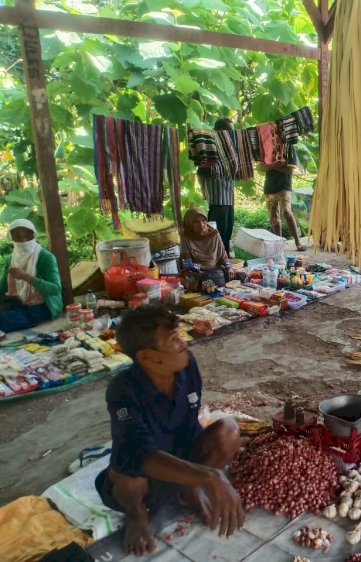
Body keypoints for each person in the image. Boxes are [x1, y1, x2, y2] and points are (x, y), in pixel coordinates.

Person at [95, 305, 244, 555]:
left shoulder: (187, 366)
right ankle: (137, 515)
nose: (183, 344)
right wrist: (210, 476)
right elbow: (138, 453)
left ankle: (189, 491)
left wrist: (199, 477)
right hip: (145, 481)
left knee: (228, 430)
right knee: (126, 473)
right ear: (147, 357)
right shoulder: (123, 390)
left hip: (185, 457)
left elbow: (190, 421)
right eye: (173, 340)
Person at [0, 219, 62, 333]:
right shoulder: (10, 259)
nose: (23, 240)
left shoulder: (45, 257)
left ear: (34, 235)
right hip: (17, 303)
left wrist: (26, 277)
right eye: (18, 236)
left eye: (27, 235)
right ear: (11, 238)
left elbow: (55, 289)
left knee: (4, 321)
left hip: (42, 307)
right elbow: (2, 287)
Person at [258, 147, 306, 251]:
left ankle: (298, 242)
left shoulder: (289, 148)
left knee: (287, 212)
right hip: (269, 187)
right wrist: (275, 165)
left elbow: (291, 169)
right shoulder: (267, 147)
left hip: (284, 186)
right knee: (274, 217)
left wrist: (271, 167)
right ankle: (279, 244)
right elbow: (261, 167)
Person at [199, 118, 236, 253]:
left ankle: (225, 256)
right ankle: (216, 256)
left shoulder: (230, 149)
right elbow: (201, 173)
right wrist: (204, 190)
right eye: (229, 131)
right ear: (220, 131)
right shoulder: (209, 149)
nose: (232, 134)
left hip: (228, 197)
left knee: (228, 228)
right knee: (217, 230)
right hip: (217, 197)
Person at [180, 208, 231, 288]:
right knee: (188, 281)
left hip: (217, 271)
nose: (201, 225)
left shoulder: (214, 234)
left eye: (204, 220)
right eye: (196, 222)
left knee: (241, 276)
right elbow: (187, 263)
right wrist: (203, 267)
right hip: (197, 273)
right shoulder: (186, 237)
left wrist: (229, 267)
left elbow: (224, 258)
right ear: (189, 223)